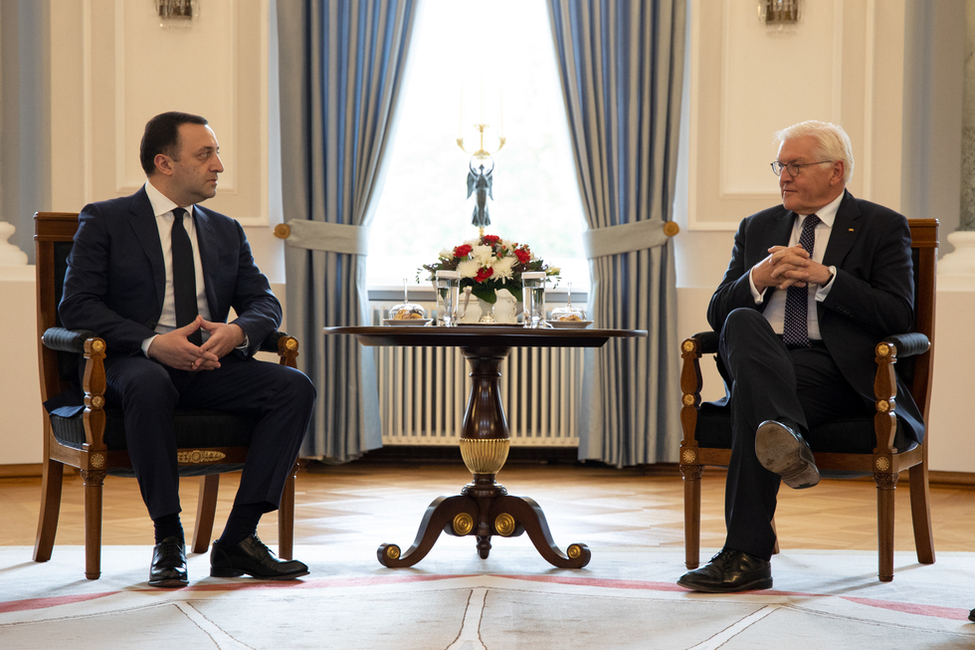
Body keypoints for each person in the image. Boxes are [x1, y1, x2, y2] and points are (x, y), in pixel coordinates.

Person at [60, 111, 317, 588]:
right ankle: (168, 538)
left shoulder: (225, 229)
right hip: (131, 364)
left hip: (210, 365)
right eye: (205, 154)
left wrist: (239, 332)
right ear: (165, 163)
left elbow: (263, 301)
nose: (218, 165)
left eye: (217, 153)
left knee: (293, 387)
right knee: (150, 382)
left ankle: (238, 538)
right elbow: (76, 307)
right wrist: (152, 343)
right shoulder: (107, 220)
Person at [677, 120, 923, 593]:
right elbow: (716, 313)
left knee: (754, 406)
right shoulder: (759, 227)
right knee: (741, 321)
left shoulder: (879, 225)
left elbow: (897, 312)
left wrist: (825, 277)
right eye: (780, 166)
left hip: (834, 372)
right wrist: (759, 278)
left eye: (795, 165)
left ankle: (747, 555)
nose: (784, 176)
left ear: (836, 171)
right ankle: (783, 433)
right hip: (761, 360)